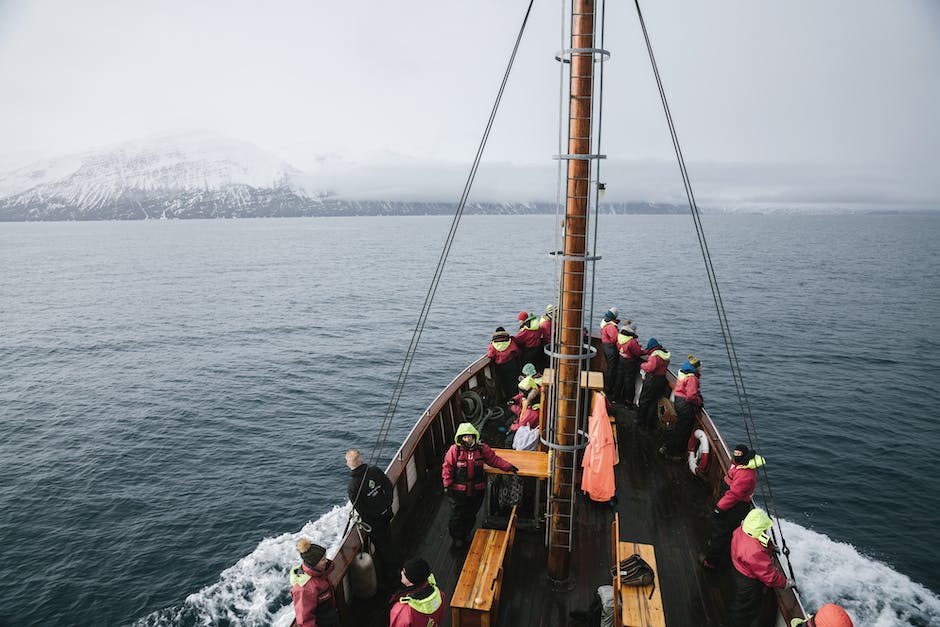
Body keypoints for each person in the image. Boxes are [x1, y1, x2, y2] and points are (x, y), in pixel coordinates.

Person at [442, 422, 518, 547]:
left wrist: (508, 467)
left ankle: (466, 534)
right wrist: (447, 484)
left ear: (474, 436)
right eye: (465, 436)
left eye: (470, 436)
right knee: (457, 515)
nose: (468, 439)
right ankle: (457, 538)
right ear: (460, 437)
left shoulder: (482, 449)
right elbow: (447, 467)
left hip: (477, 490)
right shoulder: (454, 450)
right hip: (459, 491)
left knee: (471, 514)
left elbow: (494, 460)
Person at [703, 444, 766, 568]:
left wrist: (719, 508)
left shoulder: (746, 475)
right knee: (724, 532)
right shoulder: (741, 466)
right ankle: (721, 552)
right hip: (731, 504)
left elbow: (734, 495)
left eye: (738, 455)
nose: (735, 457)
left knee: (722, 532)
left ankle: (711, 562)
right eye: (735, 454)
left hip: (734, 507)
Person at [346, 448, 400, 586]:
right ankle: (395, 569)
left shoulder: (353, 485)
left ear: (349, 464)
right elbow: (388, 486)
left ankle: (392, 578)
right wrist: (387, 505)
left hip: (374, 523)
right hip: (386, 513)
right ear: (361, 459)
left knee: (383, 549)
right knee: (388, 540)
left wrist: (375, 516)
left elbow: (361, 509)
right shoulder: (374, 471)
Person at [726, 509, 788, 627]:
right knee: (743, 607)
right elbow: (769, 576)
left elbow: (760, 539)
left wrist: (770, 547)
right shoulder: (753, 552)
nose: (765, 531)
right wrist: (785, 583)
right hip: (747, 580)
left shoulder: (741, 530)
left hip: (738, 567)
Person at [290, 538, 340, 627]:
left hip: (331, 617)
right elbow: (304, 619)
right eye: (323, 559)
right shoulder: (304, 589)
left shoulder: (321, 572)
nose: (327, 561)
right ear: (314, 563)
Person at [660, 355, 702, 459]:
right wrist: (699, 402)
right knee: (682, 430)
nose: (700, 368)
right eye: (699, 366)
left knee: (678, 427)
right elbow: (691, 396)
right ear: (695, 367)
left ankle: (666, 447)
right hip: (685, 405)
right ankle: (672, 453)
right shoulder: (692, 378)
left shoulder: (683, 374)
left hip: (679, 401)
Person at [389, 557, 447, 627]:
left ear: (412, 581)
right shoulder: (440, 595)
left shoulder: (402, 611)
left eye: (404, 572)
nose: (401, 573)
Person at [636, 338, 670, 429]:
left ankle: (640, 422)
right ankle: (648, 423)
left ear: (652, 348)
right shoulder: (665, 355)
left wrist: (642, 365)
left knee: (644, 401)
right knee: (653, 402)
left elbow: (650, 368)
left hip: (652, 380)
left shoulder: (655, 356)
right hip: (661, 380)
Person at [487, 326, 521, 403]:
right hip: (511, 364)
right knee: (513, 382)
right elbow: (517, 351)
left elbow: (490, 355)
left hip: (500, 367)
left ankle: (506, 399)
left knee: (503, 383)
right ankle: (515, 399)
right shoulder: (510, 341)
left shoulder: (493, 344)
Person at [614, 323, 643, 406]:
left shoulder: (620, 337)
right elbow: (637, 352)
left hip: (621, 359)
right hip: (630, 362)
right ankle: (628, 401)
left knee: (619, 378)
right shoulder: (632, 341)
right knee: (629, 382)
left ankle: (616, 398)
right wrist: (645, 351)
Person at [600, 307, 620, 396]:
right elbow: (615, 338)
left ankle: (607, 386)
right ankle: (608, 388)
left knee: (610, 367)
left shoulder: (605, 322)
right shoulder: (611, 326)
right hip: (610, 348)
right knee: (612, 368)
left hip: (606, 346)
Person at [539, 304, 555, 370]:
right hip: (549, 344)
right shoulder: (546, 323)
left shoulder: (546, 321)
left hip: (547, 343)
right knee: (549, 360)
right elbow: (549, 335)